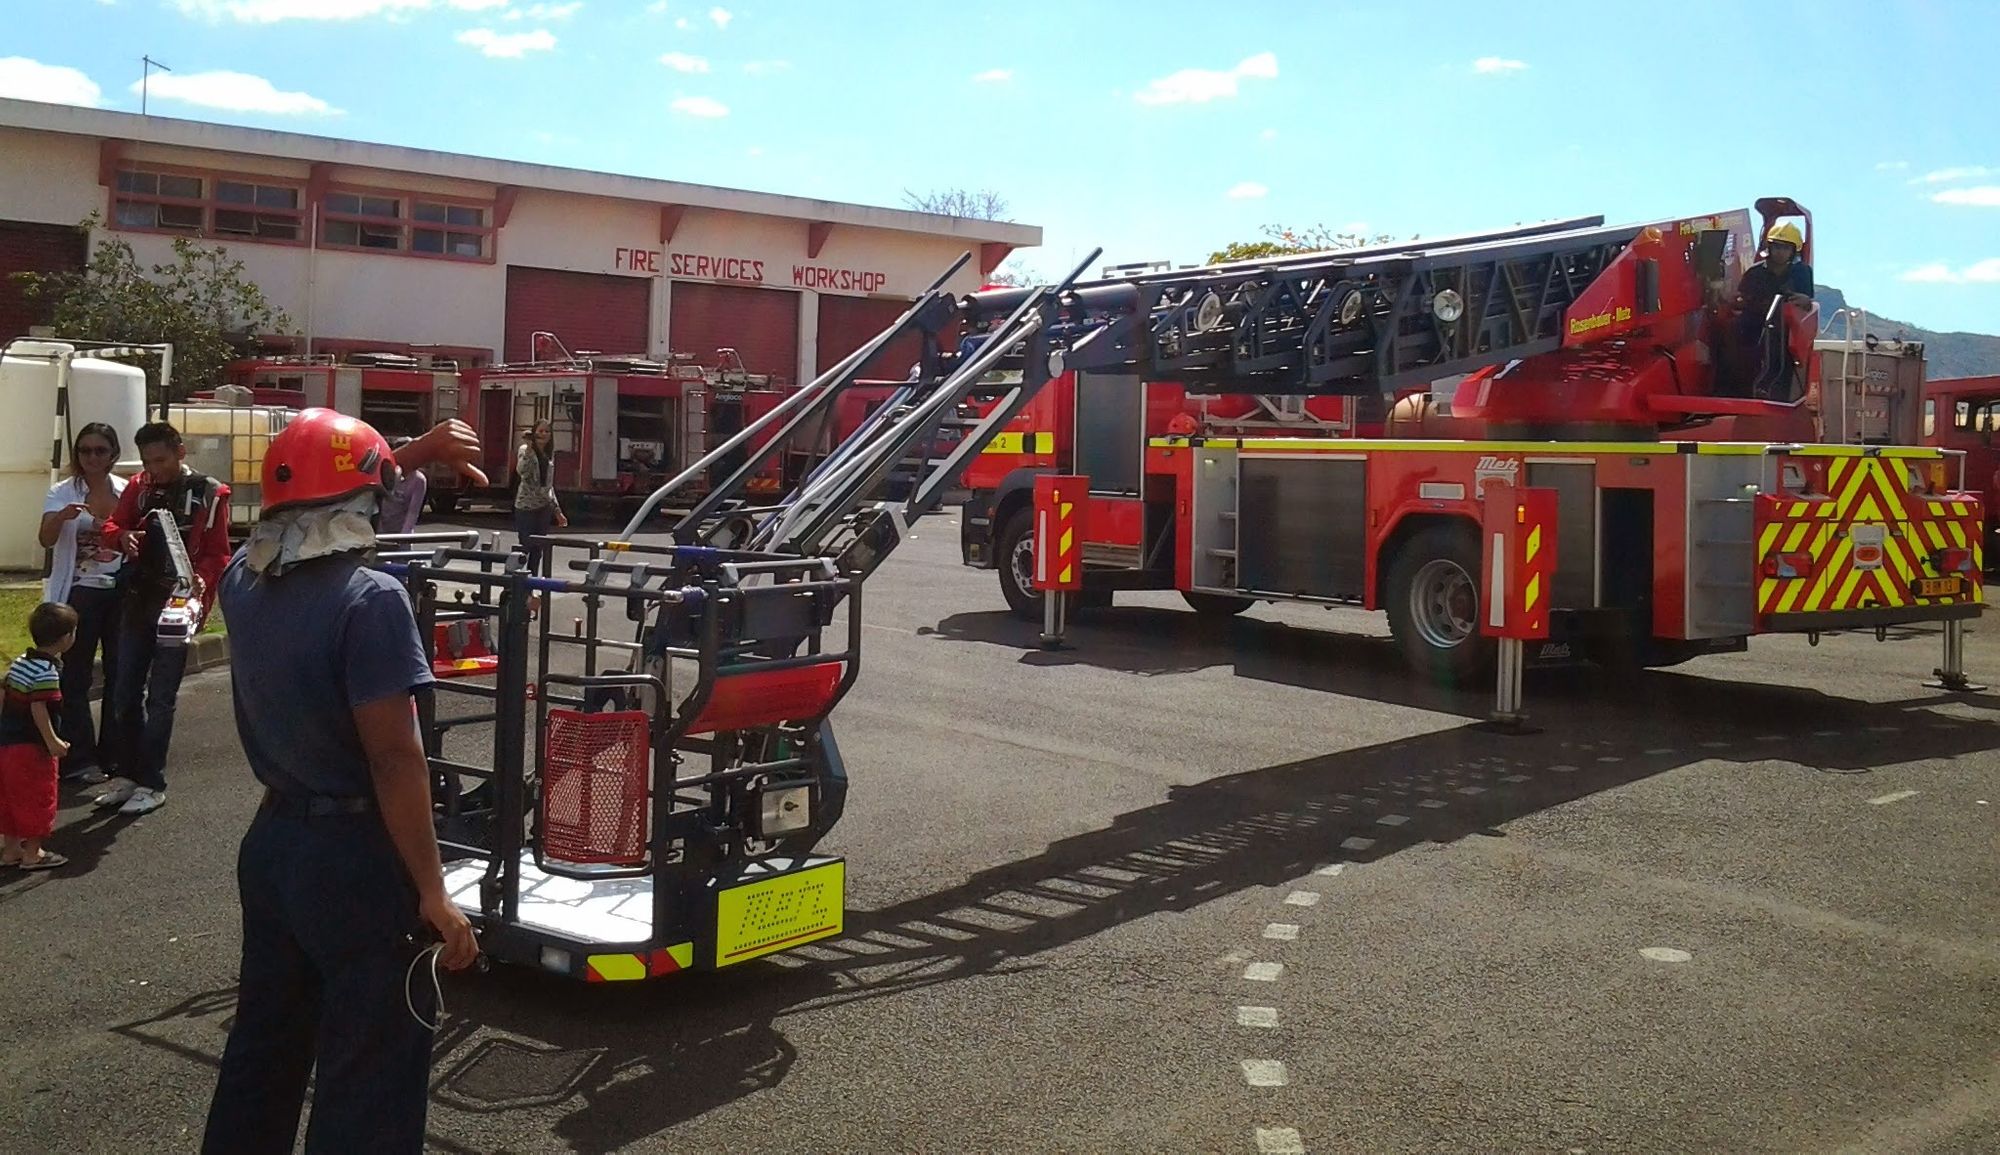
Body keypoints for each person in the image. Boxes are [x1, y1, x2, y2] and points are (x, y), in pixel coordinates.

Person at [202, 408, 479, 1154]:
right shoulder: (372, 599)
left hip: (275, 846)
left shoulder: (241, 583)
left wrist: (401, 455)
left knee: (264, 1047)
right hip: (355, 856)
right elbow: (396, 758)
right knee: (370, 1070)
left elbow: (319, 496)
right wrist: (433, 889)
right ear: (361, 499)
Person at [95, 422, 231, 816]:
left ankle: (152, 781)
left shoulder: (209, 492)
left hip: (177, 602)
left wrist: (198, 589)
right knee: (123, 691)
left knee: (161, 698)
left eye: (161, 459)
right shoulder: (139, 487)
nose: (155, 468)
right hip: (138, 598)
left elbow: (218, 553)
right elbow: (112, 525)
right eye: (148, 461)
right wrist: (121, 537)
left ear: (180, 452)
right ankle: (127, 772)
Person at [39, 423, 130, 785]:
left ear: (113, 454)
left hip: (121, 591)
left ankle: (114, 754)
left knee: (120, 674)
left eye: (100, 451)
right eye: (85, 451)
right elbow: (45, 539)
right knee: (75, 677)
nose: (92, 458)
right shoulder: (62, 492)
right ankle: (80, 759)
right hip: (80, 593)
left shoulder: (127, 490)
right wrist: (62, 519)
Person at [0, 603, 78, 872]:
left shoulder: (21, 662)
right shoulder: (47, 672)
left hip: (6, 743)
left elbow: (4, 689)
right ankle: (33, 853)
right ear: (67, 638)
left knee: (9, 798)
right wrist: (52, 741)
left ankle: (11, 850)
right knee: (38, 798)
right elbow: (39, 707)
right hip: (31, 748)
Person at [513, 419, 566, 573]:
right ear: (534, 432)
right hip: (526, 506)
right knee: (525, 545)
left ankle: (532, 583)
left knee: (538, 548)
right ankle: (518, 581)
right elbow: (521, 470)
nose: (543, 434)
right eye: (540, 431)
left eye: (547, 431)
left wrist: (557, 511)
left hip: (544, 507)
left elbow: (549, 485)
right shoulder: (525, 449)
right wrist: (530, 448)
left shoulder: (549, 455)